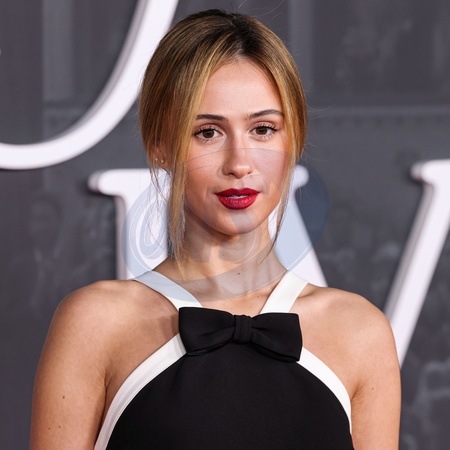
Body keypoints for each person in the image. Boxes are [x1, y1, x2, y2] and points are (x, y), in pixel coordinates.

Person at [30, 9, 401, 449]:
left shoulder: (360, 333)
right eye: (208, 132)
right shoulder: (96, 324)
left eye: (263, 129)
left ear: (293, 139)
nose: (239, 164)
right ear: (160, 145)